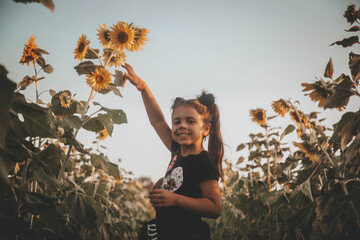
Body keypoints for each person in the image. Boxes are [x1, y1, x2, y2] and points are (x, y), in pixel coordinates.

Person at [121, 63, 223, 240]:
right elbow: (158, 121)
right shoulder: (177, 150)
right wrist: (142, 87)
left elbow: (214, 208)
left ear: (205, 129)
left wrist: (175, 199)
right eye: (177, 122)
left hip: (187, 234)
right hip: (165, 230)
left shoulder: (203, 161)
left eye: (190, 121)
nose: (182, 125)